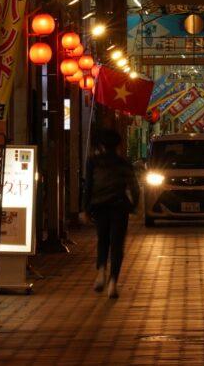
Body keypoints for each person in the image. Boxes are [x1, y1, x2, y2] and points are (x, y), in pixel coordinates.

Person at [82, 128, 139, 298]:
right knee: (117, 244)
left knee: (103, 240)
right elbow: (134, 186)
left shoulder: (93, 162)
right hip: (119, 206)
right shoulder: (123, 162)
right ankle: (113, 282)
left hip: (99, 206)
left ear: (101, 145)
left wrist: (86, 209)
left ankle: (101, 272)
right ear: (118, 145)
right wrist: (134, 205)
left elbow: (88, 187)